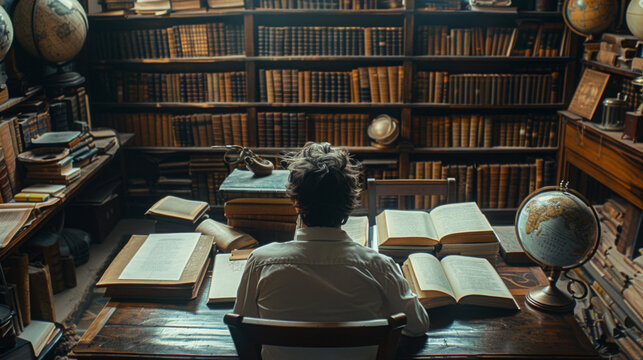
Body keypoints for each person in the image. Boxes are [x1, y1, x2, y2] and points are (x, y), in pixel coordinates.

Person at [233, 142, 430, 359]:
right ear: (349, 205)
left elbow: (243, 324)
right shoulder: (379, 266)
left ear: (297, 205)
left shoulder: (260, 262)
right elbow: (418, 325)